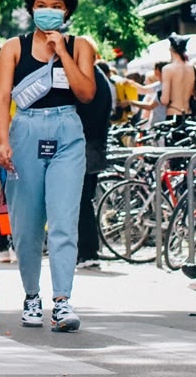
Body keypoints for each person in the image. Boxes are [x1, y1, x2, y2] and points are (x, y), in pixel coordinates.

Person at [0, 0, 96, 334]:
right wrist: (2, 141)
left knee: (64, 220)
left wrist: (61, 53)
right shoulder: (13, 47)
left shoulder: (81, 45)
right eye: (42, 6)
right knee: (25, 225)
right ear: (31, 8)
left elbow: (86, 92)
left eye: (56, 7)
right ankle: (32, 295)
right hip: (26, 129)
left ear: (67, 11)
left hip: (67, 129)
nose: (49, 12)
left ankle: (62, 301)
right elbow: (3, 96)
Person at [76, 55, 113, 270]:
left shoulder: (90, 79)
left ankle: (87, 251)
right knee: (85, 200)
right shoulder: (100, 78)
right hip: (95, 145)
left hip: (85, 145)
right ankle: (87, 250)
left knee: (81, 202)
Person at [159, 34, 196, 117]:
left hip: (174, 113)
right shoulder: (194, 68)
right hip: (189, 114)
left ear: (171, 49)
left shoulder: (167, 69)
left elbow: (165, 100)